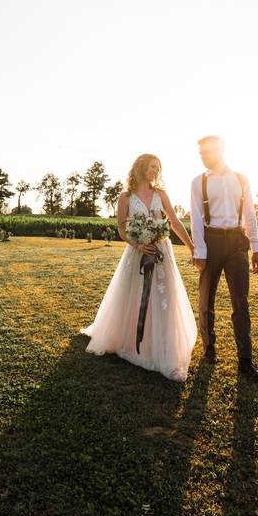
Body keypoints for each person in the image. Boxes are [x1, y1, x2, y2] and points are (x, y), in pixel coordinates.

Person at [79, 154, 198, 382]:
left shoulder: (161, 194)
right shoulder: (125, 197)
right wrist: (139, 244)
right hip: (137, 254)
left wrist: (191, 247)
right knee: (133, 297)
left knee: (164, 296)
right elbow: (122, 230)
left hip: (161, 253)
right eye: (152, 167)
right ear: (141, 167)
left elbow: (173, 221)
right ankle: (132, 338)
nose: (155, 171)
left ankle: (162, 343)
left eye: (158, 168)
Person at [190, 135, 258, 381]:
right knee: (206, 300)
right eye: (200, 153)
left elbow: (249, 213)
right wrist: (199, 252)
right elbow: (195, 219)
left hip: (237, 242)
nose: (203, 156)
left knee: (240, 302)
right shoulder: (198, 182)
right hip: (210, 242)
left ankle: (245, 360)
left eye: (207, 151)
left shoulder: (241, 179)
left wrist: (255, 246)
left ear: (220, 150)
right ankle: (209, 349)